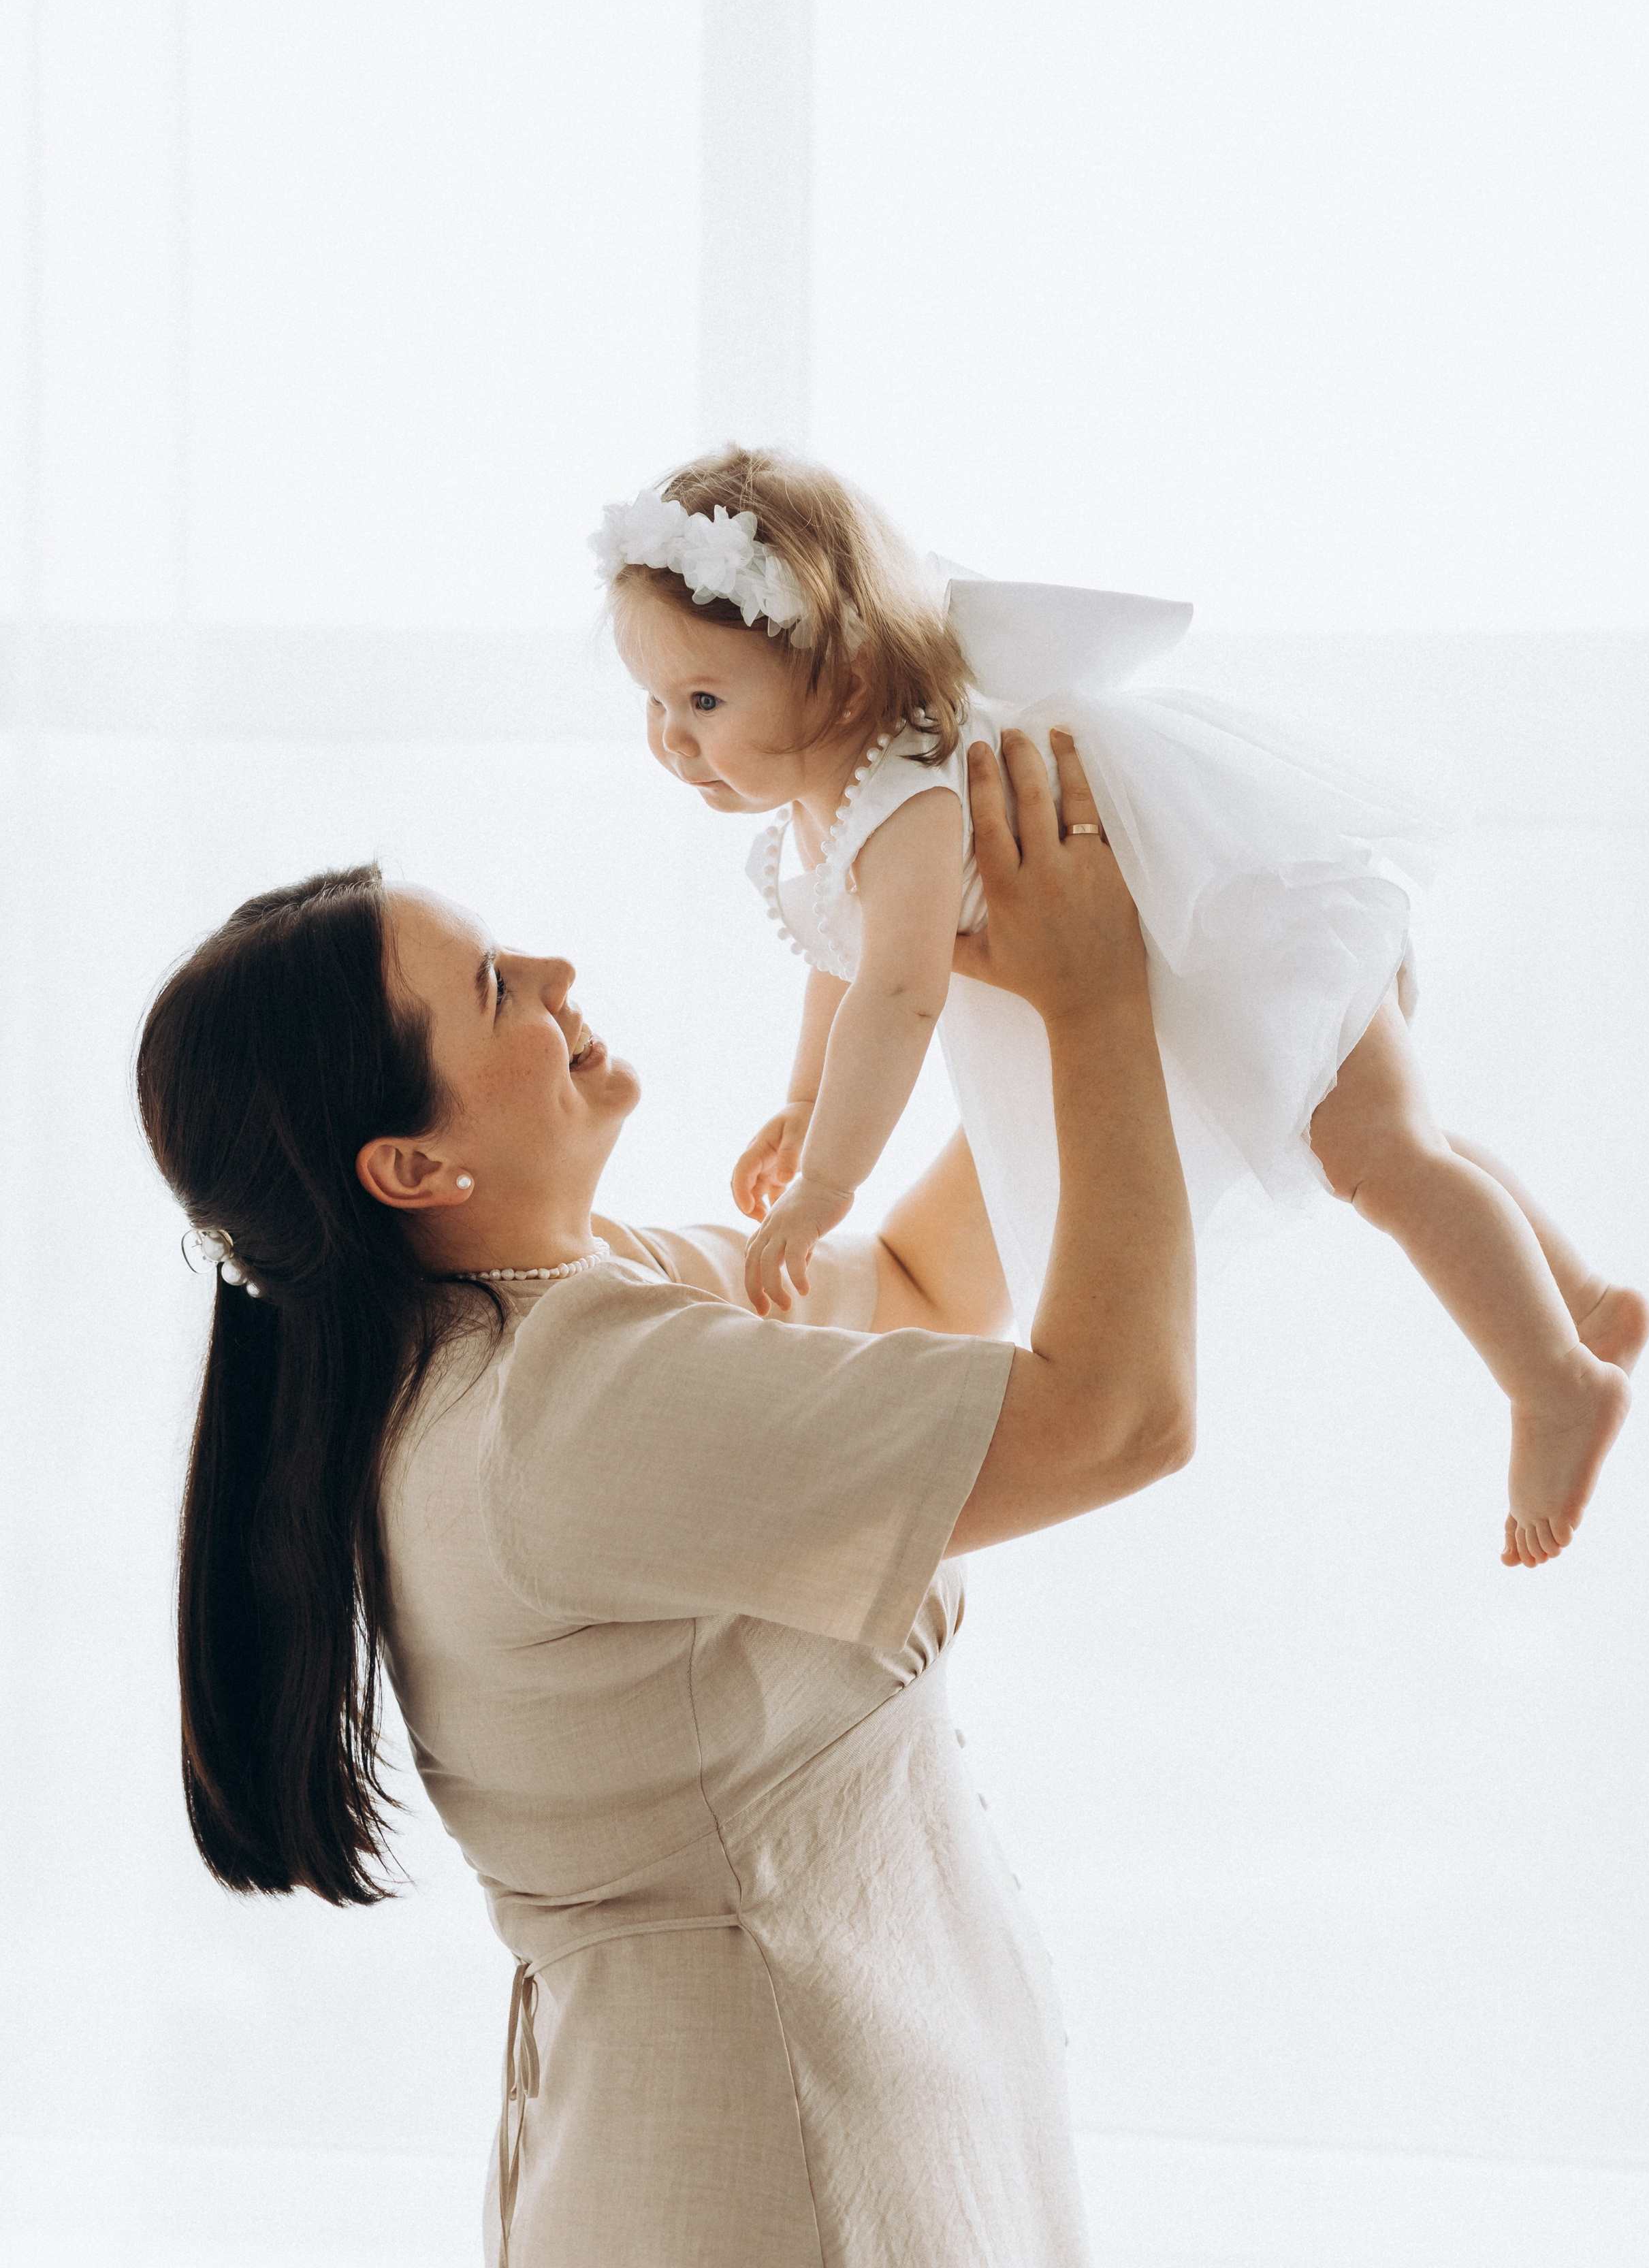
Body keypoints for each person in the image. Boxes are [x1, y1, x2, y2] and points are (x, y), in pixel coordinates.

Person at [135, 729, 1195, 2267]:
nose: (556, 969)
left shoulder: (560, 1312)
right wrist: (1095, 1006)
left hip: (818, 2095)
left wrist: (1131, 996)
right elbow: (1113, 1422)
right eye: (494, 985)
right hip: (780, 2155)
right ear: (411, 1168)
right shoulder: (563, 1405)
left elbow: (913, 1286)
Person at [595, 444, 1649, 1570]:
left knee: (1385, 1157)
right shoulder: (825, 806)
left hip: (1227, 948)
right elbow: (843, 965)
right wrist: (806, 1102)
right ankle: (1579, 1301)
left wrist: (826, 1186)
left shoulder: (902, 807)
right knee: (1391, 1146)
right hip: (1177, 980)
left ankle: (1556, 1381)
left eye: (704, 701)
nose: (672, 738)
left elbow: (898, 1002)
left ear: (845, 683)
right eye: (656, 703)